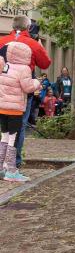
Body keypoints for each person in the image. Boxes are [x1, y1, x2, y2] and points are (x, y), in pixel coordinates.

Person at [0, 15, 51, 170]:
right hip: (22, 92)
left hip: (2, 91)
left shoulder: (2, 41)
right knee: (18, 128)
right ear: (28, 28)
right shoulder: (32, 44)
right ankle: (13, 164)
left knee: (4, 130)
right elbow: (45, 63)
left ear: (13, 25)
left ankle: (2, 164)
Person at [0, 42, 41, 182]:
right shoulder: (24, 69)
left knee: (4, 137)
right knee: (13, 138)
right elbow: (27, 87)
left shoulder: (5, 65)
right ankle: (11, 170)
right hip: (15, 110)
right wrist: (37, 83)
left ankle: (1, 168)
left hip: (2, 108)